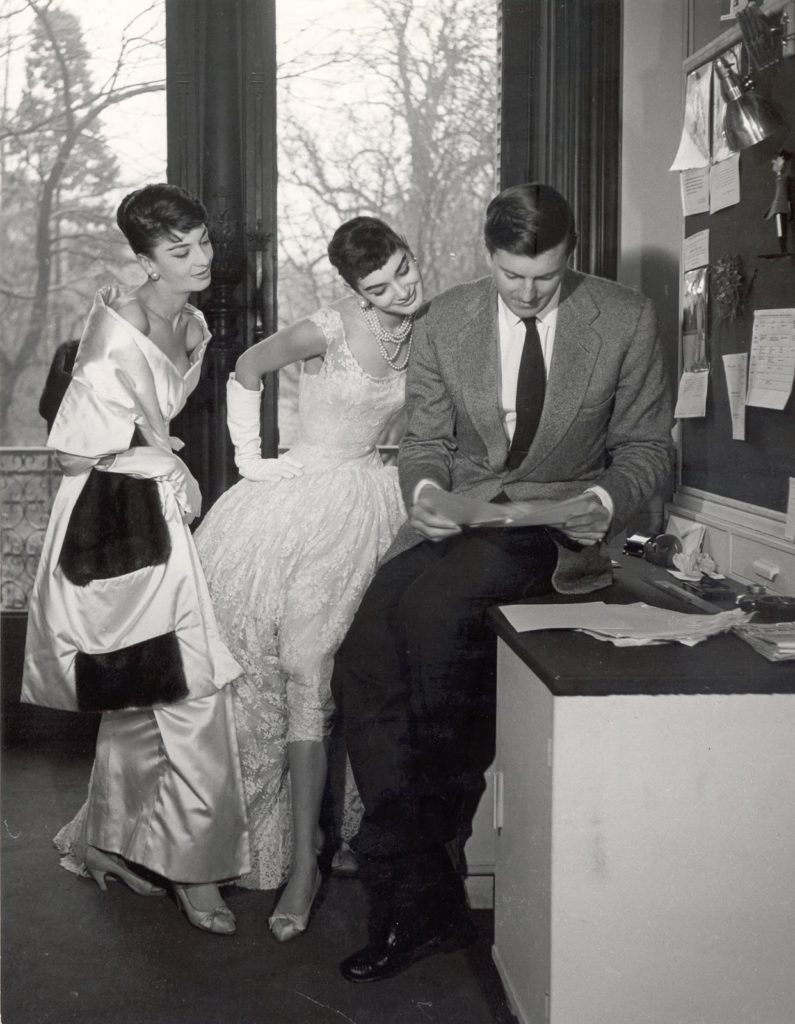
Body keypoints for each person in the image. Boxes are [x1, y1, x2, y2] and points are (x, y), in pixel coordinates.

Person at [331, 182, 675, 982]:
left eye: (543, 279)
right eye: (510, 275)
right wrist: (423, 494)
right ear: (489, 255)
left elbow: (647, 449)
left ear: (570, 258)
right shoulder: (446, 318)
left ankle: (410, 902)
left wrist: (601, 501)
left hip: (551, 532)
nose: (524, 293)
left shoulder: (622, 317)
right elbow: (422, 442)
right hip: (453, 523)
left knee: (434, 621)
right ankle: (424, 893)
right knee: (362, 657)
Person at [21, 183, 250, 935]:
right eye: (178, 251)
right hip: (109, 518)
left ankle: (105, 841)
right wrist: (159, 464)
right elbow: (74, 449)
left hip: (154, 514)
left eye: (203, 243)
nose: (200, 260)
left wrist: (165, 467)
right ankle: (196, 871)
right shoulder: (119, 321)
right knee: (190, 693)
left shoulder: (190, 319)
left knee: (153, 689)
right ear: (143, 259)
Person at [193, 217, 422, 941]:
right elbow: (246, 367)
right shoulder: (327, 327)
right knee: (284, 666)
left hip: (376, 502)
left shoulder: (438, 332)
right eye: (377, 286)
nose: (397, 293)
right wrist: (250, 458)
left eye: (403, 272)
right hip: (297, 497)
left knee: (344, 669)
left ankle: (323, 849)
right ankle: (296, 859)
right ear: (352, 289)